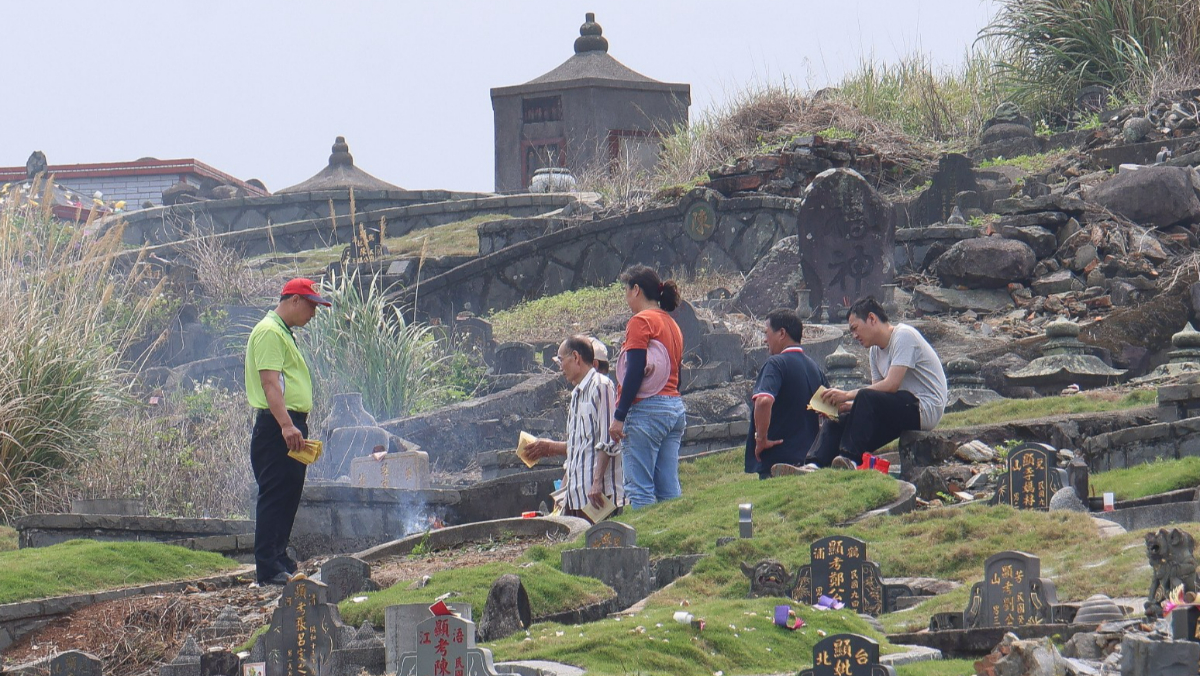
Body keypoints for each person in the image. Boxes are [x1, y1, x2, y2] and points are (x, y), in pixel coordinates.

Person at [244, 278, 331, 585]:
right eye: (311, 306)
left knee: (288, 492)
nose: (313, 313)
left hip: (288, 423)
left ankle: (279, 558)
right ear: (294, 300)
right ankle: (268, 567)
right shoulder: (269, 331)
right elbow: (270, 383)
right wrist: (285, 425)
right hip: (277, 425)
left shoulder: (281, 331)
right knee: (275, 493)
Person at [804, 296, 948, 469]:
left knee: (865, 396)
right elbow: (876, 398)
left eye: (855, 328)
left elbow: (890, 385)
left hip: (925, 407)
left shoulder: (904, 335)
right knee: (838, 419)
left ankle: (849, 458)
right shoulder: (874, 352)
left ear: (872, 318)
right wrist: (845, 407)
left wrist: (847, 395)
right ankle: (813, 464)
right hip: (902, 406)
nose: (854, 336)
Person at [524, 335, 626, 520]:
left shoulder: (601, 386)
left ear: (576, 357)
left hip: (597, 494)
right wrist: (564, 490)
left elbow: (608, 440)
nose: (560, 367)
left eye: (561, 360)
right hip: (577, 493)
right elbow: (576, 448)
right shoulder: (576, 394)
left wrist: (597, 483)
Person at [609, 265, 686, 508]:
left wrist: (619, 416)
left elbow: (634, 370)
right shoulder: (672, 323)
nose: (626, 297)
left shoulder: (640, 321)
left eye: (626, 290)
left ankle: (644, 532)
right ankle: (674, 530)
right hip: (674, 408)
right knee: (669, 490)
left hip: (647, 411)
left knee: (639, 489)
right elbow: (677, 374)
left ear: (636, 290)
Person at [745, 309, 828, 479]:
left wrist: (761, 439)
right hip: (807, 460)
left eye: (767, 333)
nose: (765, 339)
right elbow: (829, 410)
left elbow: (763, 401)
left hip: (778, 461)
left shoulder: (775, 364)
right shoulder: (814, 367)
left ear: (782, 333)